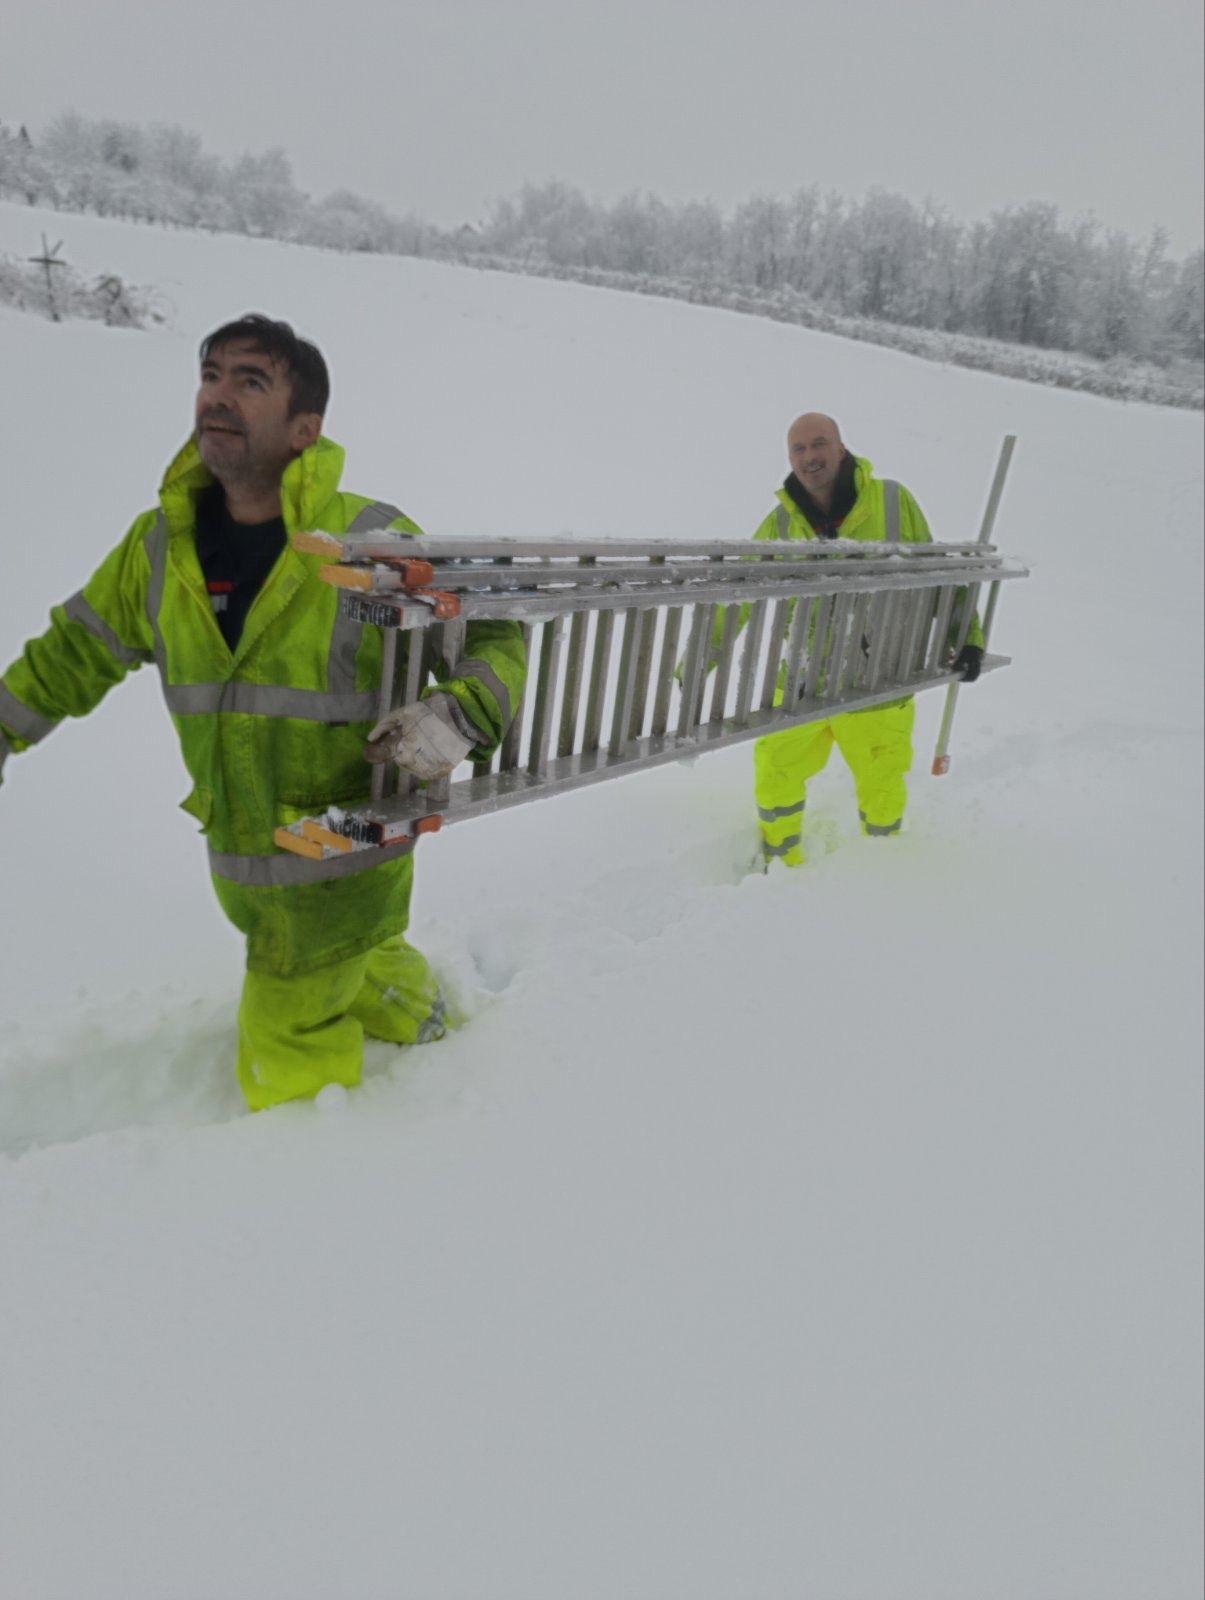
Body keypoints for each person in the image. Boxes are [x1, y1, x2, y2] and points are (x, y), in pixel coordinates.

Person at [0, 314, 526, 1109]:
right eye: (211, 375)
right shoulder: (157, 550)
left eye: (251, 382)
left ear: (303, 428)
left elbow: (493, 623)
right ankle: (430, 1022)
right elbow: (74, 652)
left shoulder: (366, 540)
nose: (218, 396)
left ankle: (298, 1188)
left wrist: (461, 712)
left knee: (290, 1041)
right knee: (360, 961)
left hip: (338, 859)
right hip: (244, 857)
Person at [748, 412, 982, 867]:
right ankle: (779, 863)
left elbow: (939, 575)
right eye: (799, 449)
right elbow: (735, 586)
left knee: (882, 785)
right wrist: (697, 662)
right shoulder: (781, 522)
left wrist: (967, 637)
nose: (810, 457)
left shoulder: (894, 502)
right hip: (801, 680)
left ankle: (878, 873)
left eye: (819, 444)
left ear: (840, 447)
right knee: (775, 774)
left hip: (878, 682)